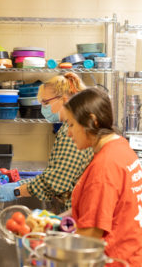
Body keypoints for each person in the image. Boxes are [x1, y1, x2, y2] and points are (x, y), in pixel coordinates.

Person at [64, 87, 142, 266]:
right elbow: (103, 207)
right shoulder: (120, 146)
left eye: (71, 124)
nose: (68, 133)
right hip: (132, 254)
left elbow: (90, 236)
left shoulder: (105, 167)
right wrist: (58, 220)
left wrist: (49, 243)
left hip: (113, 259)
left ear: (92, 121)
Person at [0, 73, 94, 211]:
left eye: (46, 103)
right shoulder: (73, 125)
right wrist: (22, 184)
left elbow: (58, 180)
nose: (43, 109)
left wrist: (18, 190)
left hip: (81, 210)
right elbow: (57, 174)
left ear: (64, 100)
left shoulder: (72, 131)